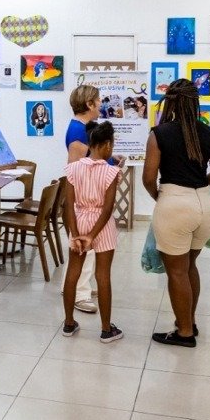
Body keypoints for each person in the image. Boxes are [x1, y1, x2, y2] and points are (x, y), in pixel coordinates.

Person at [142, 79, 210, 347]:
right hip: (206, 206)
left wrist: (159, 196)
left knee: (177, 272)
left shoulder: (159, 133)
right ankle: (189, 322)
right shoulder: (208, 133)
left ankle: (184, 333)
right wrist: (202, 183)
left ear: (169, 102)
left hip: (174, 205)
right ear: (196, 102)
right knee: (190, 265)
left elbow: (149, 178)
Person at [60, 121, 122, 343]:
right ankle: (106, 329)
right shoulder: (111, 172)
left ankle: (69, 323)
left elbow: (68, 204)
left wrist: (77, 234)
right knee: (102, 276)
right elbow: (107, 209)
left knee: (73, 273)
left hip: (78, 220)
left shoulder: (73, 169)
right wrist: (92, 235)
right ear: (107, 145)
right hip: (101, 226)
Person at [64, 85, 105, 313]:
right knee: (83, 245)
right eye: (98, 101)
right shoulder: (78, 132)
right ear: (89, 104)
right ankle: (79, 293)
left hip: (87, 197)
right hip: (83, 199)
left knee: (86, 246)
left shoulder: (82, 128)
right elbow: (75, 169)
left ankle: (73, 286)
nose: (100, 105)